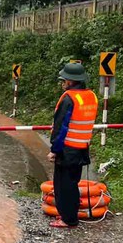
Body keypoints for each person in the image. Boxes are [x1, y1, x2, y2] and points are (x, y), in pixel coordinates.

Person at [47, 63, 98, 228]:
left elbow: (62, 127)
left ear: (70, 81)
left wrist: (54, 150)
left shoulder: (69, 98)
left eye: (64, 80)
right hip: (82, 147)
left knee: (63, 185)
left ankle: (68, 219)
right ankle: (71, 214)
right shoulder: (91, 96)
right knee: (72, 182)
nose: (63, 83)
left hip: (67, 149)